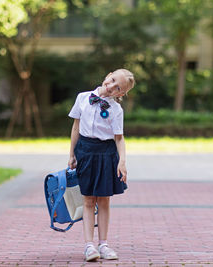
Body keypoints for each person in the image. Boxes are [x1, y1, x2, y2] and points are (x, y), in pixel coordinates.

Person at [67, 69, 135, 262]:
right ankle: (89, 246)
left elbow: (119, 138)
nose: (111, 86)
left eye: (118, 88)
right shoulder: (82, 98)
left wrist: (122, 161)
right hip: (85, 152)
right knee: (88, 199)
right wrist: (71, 154)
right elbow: (75, 127)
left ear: (120, 94)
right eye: (112, 80)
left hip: (106, 154)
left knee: (104, 200)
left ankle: (103, 244)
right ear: (108, 75)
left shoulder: (116, 110)